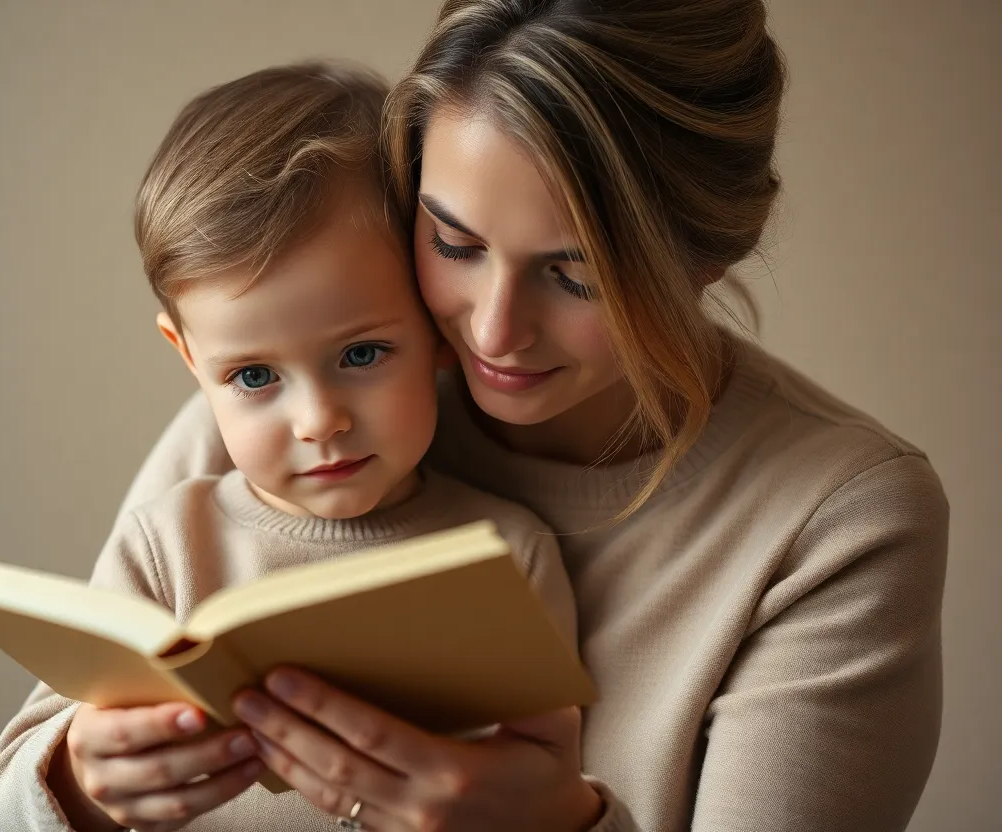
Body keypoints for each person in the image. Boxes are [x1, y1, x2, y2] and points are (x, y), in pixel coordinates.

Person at [113, 2, 951, 831]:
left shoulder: (840, 522)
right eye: (454, 244)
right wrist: (85, 784)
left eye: (573, 271)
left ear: (708, 255)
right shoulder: (288, 413)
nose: (491, 331)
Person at [0, 61, 578, 832]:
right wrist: (88, 779)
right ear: (190, 361)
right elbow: (15, 807)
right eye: (255, 375)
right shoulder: (165, 545)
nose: (318, 421)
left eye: (362, 354)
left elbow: (547, 782)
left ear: (434, 329)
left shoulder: (510, 556)